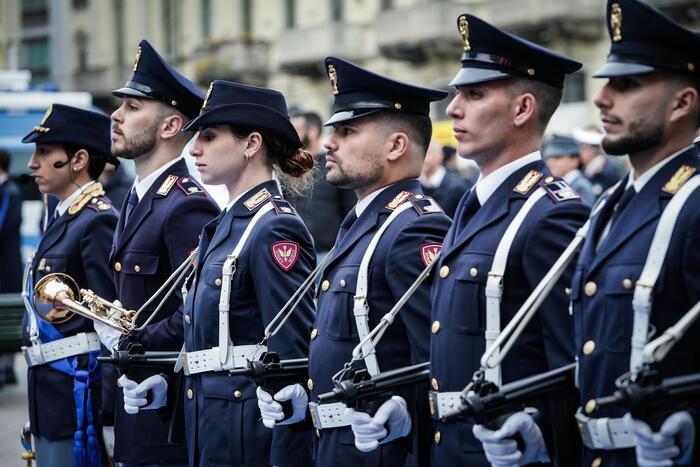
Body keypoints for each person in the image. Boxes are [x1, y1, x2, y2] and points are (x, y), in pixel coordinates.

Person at [257, 56, 452, 467]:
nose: (329, 142)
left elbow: (436, 364)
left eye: (347, 131)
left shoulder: (412, 229)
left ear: (396, 145)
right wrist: (304, 395)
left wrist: (405, 411)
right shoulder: (363, 223)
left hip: (380, 452)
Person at [121, 79, 317, 467]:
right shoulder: (225, 226)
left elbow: (291, 355)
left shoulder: (273, 226)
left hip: (249, 440)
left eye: (209, 137)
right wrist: (168, 386)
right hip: (212, 431)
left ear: (251, 143)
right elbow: (207, 345)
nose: (194, 149)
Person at [429, 14, 590, 466]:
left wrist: (545, 437)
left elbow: (570, 368)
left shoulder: (551, 213)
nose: (453, 109)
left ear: (522, 109)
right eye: (458, 94)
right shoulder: (471, 203)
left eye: (474, 95)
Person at [570, 1, 700, 465]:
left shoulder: (694, 204)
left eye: (627, 85)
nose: (602, 98)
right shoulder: (609, 204)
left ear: (683, 102)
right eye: (607, 83)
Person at [97, 39, 220, 467]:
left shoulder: (186, 202)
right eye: (121, 106)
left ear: (169, 127)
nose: (116, 115)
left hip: (165, 409)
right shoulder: (137, 196)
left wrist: (131, 338)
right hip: (136, 400)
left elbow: (196, 310)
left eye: (133, 107)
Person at [20, 104, 119, 467]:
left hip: (79, 395)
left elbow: (110, 320)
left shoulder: (97, 221)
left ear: (78, 159)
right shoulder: (64, 216)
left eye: (44, 152)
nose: (32, 163)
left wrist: (107, 413)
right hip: (49, 389)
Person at [288, 110, 356, 258]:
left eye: (297, 130)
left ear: (313, 132)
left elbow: (350, 210)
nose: (292, 137)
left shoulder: (333, 167)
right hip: (293, 253)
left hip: (328, 253)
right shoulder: (288, 169)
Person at [0, 148, 23, 387]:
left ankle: (6, 369)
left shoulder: (10, 192)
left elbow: (2, 225)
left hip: (6, 267)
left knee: (6, 316)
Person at [419, 139, 471, 217]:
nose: (422, 160)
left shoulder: (456, 187)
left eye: (426, 154)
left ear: (440, 155)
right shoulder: (416, 187)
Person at [543, 135, 597, 205]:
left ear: (575, 160)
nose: (550, 162)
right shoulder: (554, 183)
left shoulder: (581, 187)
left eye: (557, 158)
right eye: (549, 158)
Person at [573, 125, 623, 196]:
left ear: (589, 149)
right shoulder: (581, 168)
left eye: (582, 147)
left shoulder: (608, 171)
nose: (579, 152)